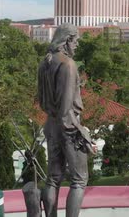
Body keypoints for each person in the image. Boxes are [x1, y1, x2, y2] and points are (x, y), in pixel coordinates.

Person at [37, 23, 93, 217]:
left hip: (51, 124)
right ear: (68, 40)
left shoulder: (45, 63)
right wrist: (80, 130)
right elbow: (66, 108)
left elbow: (42, 101)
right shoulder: (68, 65)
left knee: (53, 178)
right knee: (79, 180)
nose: (77, 45)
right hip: (67, 126)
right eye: (76, 41)